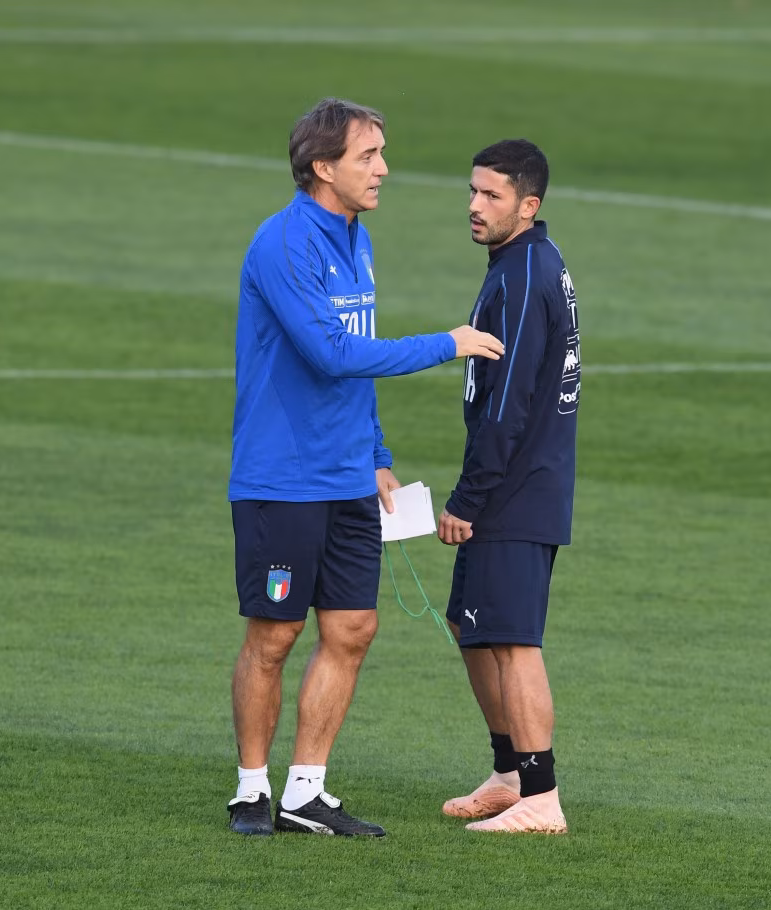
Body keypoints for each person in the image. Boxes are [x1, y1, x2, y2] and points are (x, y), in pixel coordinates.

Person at [227, 98, 504, 838]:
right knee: (274, 636)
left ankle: (305, 793)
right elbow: (333, 354)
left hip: (349, 475)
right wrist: (447, 343)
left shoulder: (357, 236)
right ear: (324, 167)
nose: (383, 168)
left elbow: (356, 353)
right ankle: (251, 791)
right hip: (283, 478)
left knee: (351, 628)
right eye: (368, 155)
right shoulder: (284, 243)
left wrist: (377, 455)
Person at [437, 139, 580, 834]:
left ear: (528, 205)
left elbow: (509, 401)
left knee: (515, 640)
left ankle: (542, 797)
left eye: (491, 195)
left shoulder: (524, 274)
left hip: (516, 490)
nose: (475, 205)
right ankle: (509, 773)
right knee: (472, 627)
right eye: (472, 191)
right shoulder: (520, 263)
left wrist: (469, 498)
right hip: (512, 484)